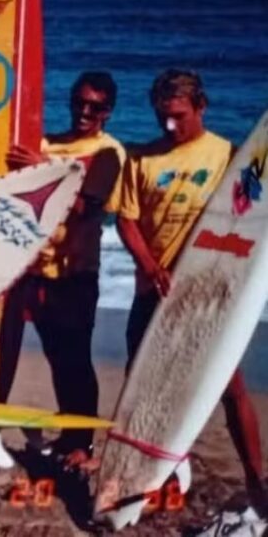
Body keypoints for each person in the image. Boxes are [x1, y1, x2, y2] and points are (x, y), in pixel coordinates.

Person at [117, 69, 267, 517]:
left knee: (228, 387)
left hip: (205, 296)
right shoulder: (141, 158)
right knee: (139, 387)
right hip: (153, 294)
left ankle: (256, 477)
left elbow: (248, 218)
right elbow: (127, 219)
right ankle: (137, 482)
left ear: (201, 107)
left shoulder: (228, 157)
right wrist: (150, 266)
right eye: (162, 117)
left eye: (178, 117)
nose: (169, 126)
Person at [0, 72, 125, 468]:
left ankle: (79, 443)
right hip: (26, 268)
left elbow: (86, 207)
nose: (85, 112)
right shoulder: (48, 142)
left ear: (108, 113)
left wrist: (45, 169)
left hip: (74, 275)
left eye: (95, 107)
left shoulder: (108, 152)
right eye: (80, 102)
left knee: (70, 361)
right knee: (2, 354)